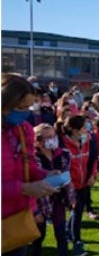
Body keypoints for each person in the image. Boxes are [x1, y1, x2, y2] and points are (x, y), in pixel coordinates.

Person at [2, 73, 57, 256]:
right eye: (20, 107)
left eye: (29, 106)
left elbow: (29, 165)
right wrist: (24, 188)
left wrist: (45, 176)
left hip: (19, 221)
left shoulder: (24, 129)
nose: (26, 112)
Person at [31, 123, 75, 256]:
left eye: (54, 136)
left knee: (61, 235)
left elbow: (68, 176)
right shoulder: (31, 158)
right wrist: (35, 211)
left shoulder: (64, 154)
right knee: (38, 236)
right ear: (38, 140)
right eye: (48, 137)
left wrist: (71, 197)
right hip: (40, 201)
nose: (53, 139)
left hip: (58, 199)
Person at [61, 115, 97, 256]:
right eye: (84, 126)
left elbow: (93, 159)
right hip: (71, 185)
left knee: (77, 211)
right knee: (77, 211)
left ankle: (69, 233)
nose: (87, 128)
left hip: (84, 183)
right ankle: (76, 241)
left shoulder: (88, 139)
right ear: (75, 129)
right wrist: (68, 183)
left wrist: (93, 175)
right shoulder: (63, 144)